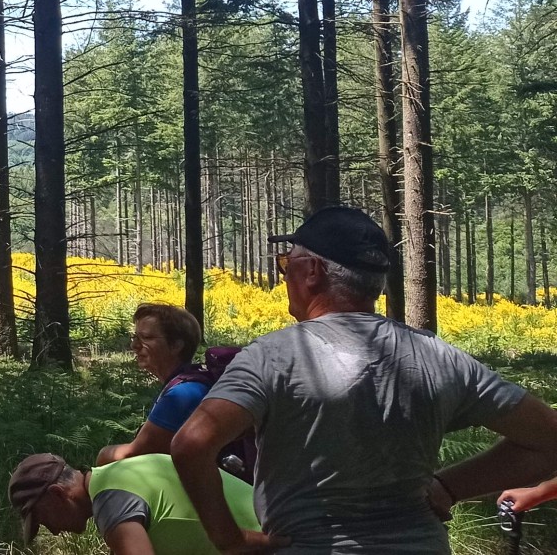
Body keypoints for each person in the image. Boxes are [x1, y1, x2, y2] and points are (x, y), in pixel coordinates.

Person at [172, 205, 557, 554]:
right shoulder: (442, 357)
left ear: (312, 272)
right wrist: (448, 487)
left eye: (286, 262)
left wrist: (230, 539)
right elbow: (549, 440)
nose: (283, 273)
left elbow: (192, 444)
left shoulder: (272, 356)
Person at [9, 452, 260, 555]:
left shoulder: (109, 502)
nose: (53, 531)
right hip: (281, 528)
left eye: (43, 519)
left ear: (57, 494)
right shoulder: (121, 472)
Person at [97, 303, 207, 466]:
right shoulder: (187, 383)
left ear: (177, 345)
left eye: (147, 338)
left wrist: (102, 457)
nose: (134, 346)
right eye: (135, 337)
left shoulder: (182, 394)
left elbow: (132, 455)